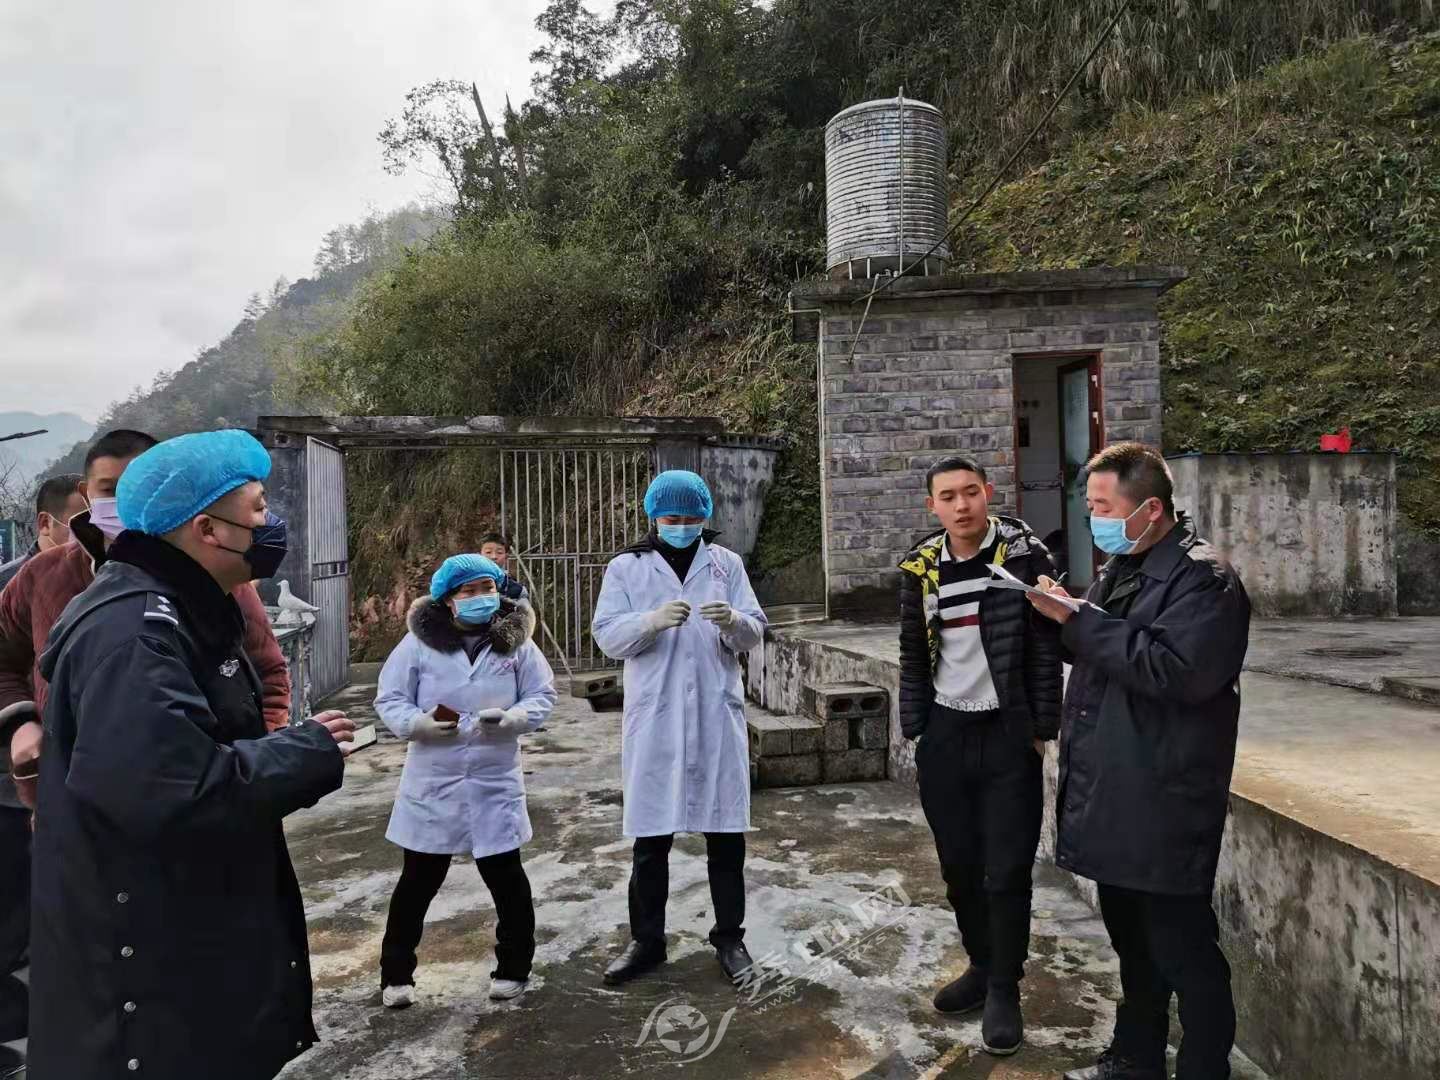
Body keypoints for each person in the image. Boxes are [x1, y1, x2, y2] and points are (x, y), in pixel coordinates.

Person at [27, 429, 355, 1080]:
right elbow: (173, 791)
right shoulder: (136, 635)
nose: (271, 523)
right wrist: (305, 752)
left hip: (184, 962)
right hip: (149, 1001)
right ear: (208, 529)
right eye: (258, 508)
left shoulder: (184, 609)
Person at [1027, 442, 1250, 1080]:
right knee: (1132, 943)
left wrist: (1082, 623)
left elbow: (1178, 672)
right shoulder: (1125, 566)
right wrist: (1060, 617)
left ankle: (1204, 1069)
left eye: (1103, 507)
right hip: (1116, 788)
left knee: (1184, 949)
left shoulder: (1204, 580)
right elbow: (1107, 653)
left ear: (1150, 509)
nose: (1093, 519)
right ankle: (1136, 1058)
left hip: (1165, 797)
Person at [0, 429, 293, 812]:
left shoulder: (223, 580)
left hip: (207, 808)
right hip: (80, 808)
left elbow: (268, 675)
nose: (131, 501)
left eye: (143, 487)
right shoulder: (46, 578)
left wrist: (264, 768)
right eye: (112, 489)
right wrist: (21, 723)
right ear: (87, 493)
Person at [897, 456, 1062, 1057]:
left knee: (1008, 870)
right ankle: (981, 964)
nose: (962, 505)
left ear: (988, 493)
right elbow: (913, 650)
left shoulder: (1022, 558)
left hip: (1006, 733)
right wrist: (918, 727)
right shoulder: (921, 567)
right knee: (959, 867)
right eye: (948, 496)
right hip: (946, 733)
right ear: (932, 506)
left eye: (971, 492)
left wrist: (1040, 729)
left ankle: (1004, 988)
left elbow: (1045, 647)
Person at [591, 470, 767, 986]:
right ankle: (647, 941)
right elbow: (607, 636)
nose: (683, 525)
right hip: (657, 718)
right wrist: (649, 621)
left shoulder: (726, 563)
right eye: (672, 517)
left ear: (704, 516)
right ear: (654, 516)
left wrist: (732, 620)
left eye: (692, 517)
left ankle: (730, 939)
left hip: (715, 714)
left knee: (726, 838)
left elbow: (754, 631)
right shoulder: (626, 567)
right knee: (651, 842)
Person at [374, 553, 556, 1007]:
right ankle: (396, 975)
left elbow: (542, 694)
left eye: (487, 588)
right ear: (448, 599)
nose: (480, 598)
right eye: (468, 591)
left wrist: (514, 718)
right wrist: (417, 724)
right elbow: (390, 698)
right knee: (418, 881)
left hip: (494, 777)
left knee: (507, 880)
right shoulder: (418, 645)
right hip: (434, 779)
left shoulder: (517, 643)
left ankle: (513, 968)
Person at [0, 473, 85, 592]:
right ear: (45, 523)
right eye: (83, 523)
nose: (93, 533)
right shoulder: (7, 585)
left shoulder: (98, 579)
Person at [480, 532, 526, 601]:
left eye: (499, 552)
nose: (494, 557)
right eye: (488, 552)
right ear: (479, 555)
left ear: (506, 556)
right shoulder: (468, 584)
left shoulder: (517, 590)